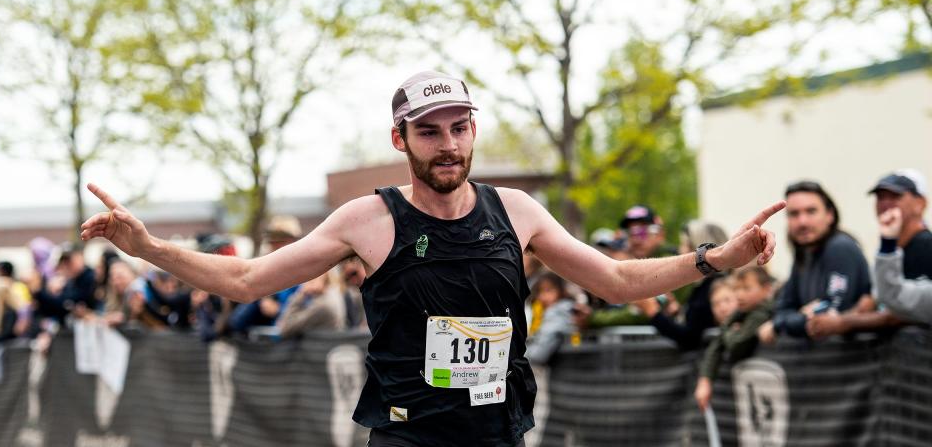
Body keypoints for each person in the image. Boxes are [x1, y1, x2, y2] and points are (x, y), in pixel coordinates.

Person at [81, 70, 782, 447]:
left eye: (459, 127)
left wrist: (714, 258)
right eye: (429, 132)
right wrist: (147, 247)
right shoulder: (370, 218)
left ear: (474, 128)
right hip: (409, 438)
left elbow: (620, 280)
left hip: (499, 429)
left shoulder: (516, 210)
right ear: (401, 138)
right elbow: (243, 280)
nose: (447, 144)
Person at [759, 180, 877, 343]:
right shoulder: (803, 254)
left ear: (830, 215)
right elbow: (781, 310)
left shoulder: (840, 248)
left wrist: (781, 324)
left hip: (853, 360)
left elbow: (829, 316)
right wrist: (797, 317)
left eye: (811, 211)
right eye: (794, 214)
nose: (803, 222)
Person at [637, 221, 730, 350]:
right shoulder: (707, 285)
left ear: (699, 250)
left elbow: (690, 338)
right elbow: (698, 325)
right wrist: (677, 312)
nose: (680, 250)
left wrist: (652, 312)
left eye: (684, 245)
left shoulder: (715, 288)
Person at [694, 267, 776, 411]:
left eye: (746, 288)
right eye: (737, 289)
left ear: (766, 289)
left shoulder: (761, 313)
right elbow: (717, 344)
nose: (740, 295)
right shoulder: (742, 313)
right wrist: (705, 379)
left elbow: (735, 345)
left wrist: (727, 329)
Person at [871, 170, 932, 324]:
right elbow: (891, 297)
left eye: (895, 196)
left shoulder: (926, 245)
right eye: (881, 197)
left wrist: (844, 323)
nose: (886, 203)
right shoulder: (887, 252)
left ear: (920, 203)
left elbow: (900, 308)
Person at [525, 273, 576, 365]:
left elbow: (539, 354)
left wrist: (519, 355)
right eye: (539, 292)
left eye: (548, 290)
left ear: (561, 290)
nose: (543, 297)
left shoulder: (557, 312)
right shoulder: (565, 309)